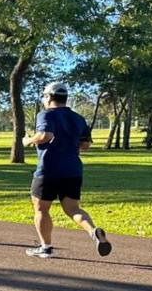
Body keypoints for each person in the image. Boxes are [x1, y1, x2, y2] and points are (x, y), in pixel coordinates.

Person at [22, 82, 112, 259]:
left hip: (48, 171)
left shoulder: (46, 114)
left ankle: (46, 247)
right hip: (72, 170)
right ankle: (93, 232)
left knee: (41, 209)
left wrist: (27, 140)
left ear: (48, 97)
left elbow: (45, 136)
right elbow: (85, 145)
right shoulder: (78, 118)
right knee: (73, 209)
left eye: (44, 97)